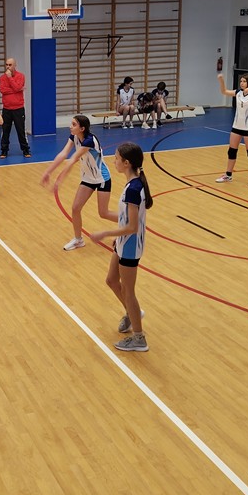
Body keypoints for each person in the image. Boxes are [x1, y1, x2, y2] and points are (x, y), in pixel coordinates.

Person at [90, 141, 153, 353]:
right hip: (124, 242)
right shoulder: (132, 184)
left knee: (128, 291)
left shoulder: (133, 189)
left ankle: (139, 338)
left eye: (116, 158)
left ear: (126, 163)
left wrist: (105, 233)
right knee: (111, 280)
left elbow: (132, 227)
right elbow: (126, 218)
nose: (113, 161)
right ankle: (132, 314)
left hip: (131, 246)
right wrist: (116, 233)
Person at [40, 115, 112, 251]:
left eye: (74, 124)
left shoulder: (89, 141)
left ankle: (130, 224)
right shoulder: (74, 137)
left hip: (102, 178)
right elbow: (63, 154)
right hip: (88, 178)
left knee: (103, 213)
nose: (70, 127)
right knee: (75, 208)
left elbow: (73, 159)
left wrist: (59, 181)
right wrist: (48, 172)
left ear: (82, 128)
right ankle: (78, 240)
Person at [216, 73, 248, 187]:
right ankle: (228, 175)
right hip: (236, 127)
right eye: (241, 81)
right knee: (231, 151)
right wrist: (221, 80)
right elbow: (224, 91)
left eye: (244, 81)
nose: (242, 83)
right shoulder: (238, 93)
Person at [0, 58, 31, 159]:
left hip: (18, 108)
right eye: (7, 65)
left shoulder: (21, 76)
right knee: (5, 131)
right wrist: (17, 89)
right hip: (7, 109)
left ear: (15, 65)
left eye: (10, 65)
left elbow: (17, 87)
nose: (8, 67)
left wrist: (10, 79)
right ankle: (4, 150)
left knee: (21, 130)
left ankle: (25, 150)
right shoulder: (2, 78)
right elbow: (2, 90)